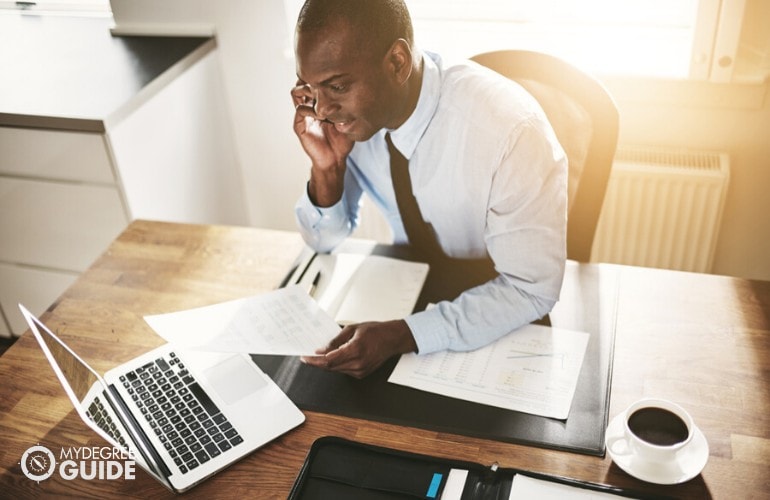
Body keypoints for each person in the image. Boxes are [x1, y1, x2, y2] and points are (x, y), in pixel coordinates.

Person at [290, 0, 567, 378]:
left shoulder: (510, 130)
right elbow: (324, 241)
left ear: (397, 63)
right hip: (407, 290)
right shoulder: (350, 123)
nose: (321, 110)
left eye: (337, 86)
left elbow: (530, 289)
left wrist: (403, 335)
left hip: (499, 309)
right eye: (310, 88)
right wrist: (327, 168)